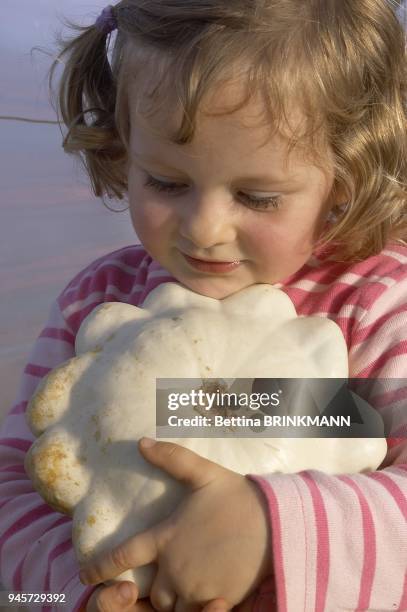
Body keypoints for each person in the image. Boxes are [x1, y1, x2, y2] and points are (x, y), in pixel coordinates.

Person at [1, 0, 406, 610]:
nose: (205, 228)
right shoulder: (99, 300)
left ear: (342, 178)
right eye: (165, 182)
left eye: (257, 195)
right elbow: (15, 486)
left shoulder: (373, 305)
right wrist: (78, 590)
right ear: (122, 148)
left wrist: (273, 527)